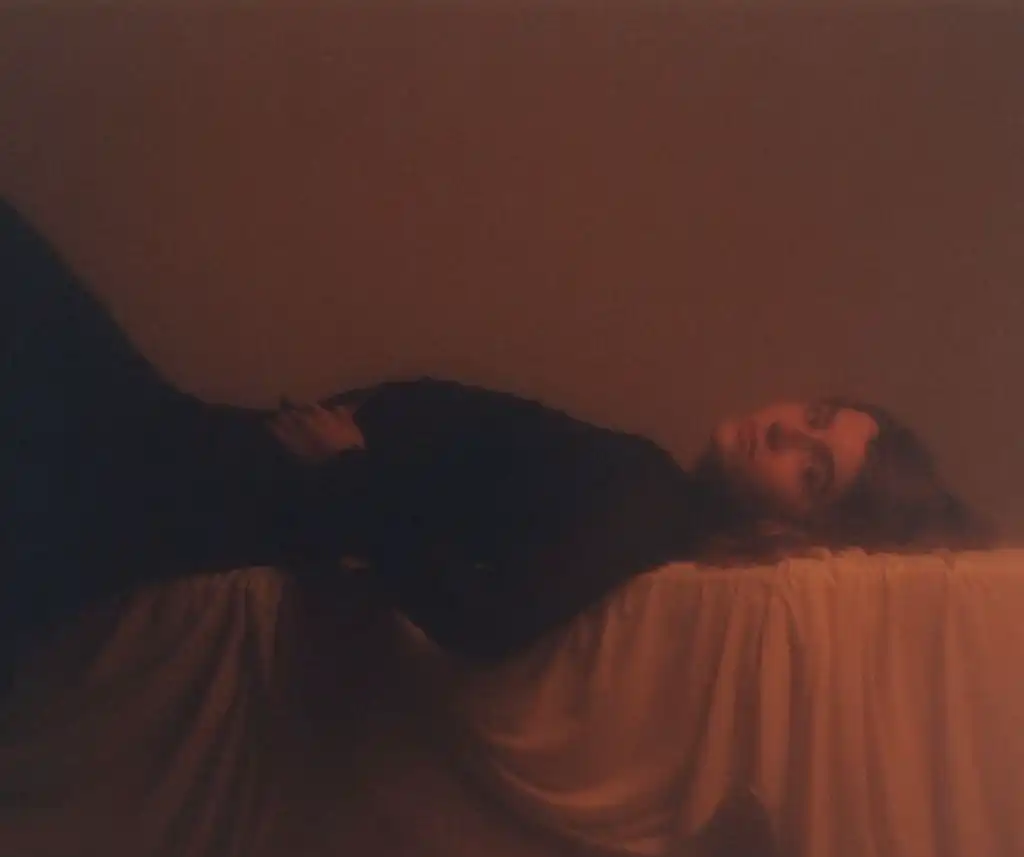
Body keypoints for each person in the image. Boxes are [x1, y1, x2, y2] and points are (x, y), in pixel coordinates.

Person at [0, 197, 991, 680]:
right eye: (811, 416)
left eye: (810, 469)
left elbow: (489, 622)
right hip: (220, 459)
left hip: (232, 487)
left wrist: (351, 475)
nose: (781, 427)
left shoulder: (648, 509)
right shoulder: (649, 489)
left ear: (788, 531)